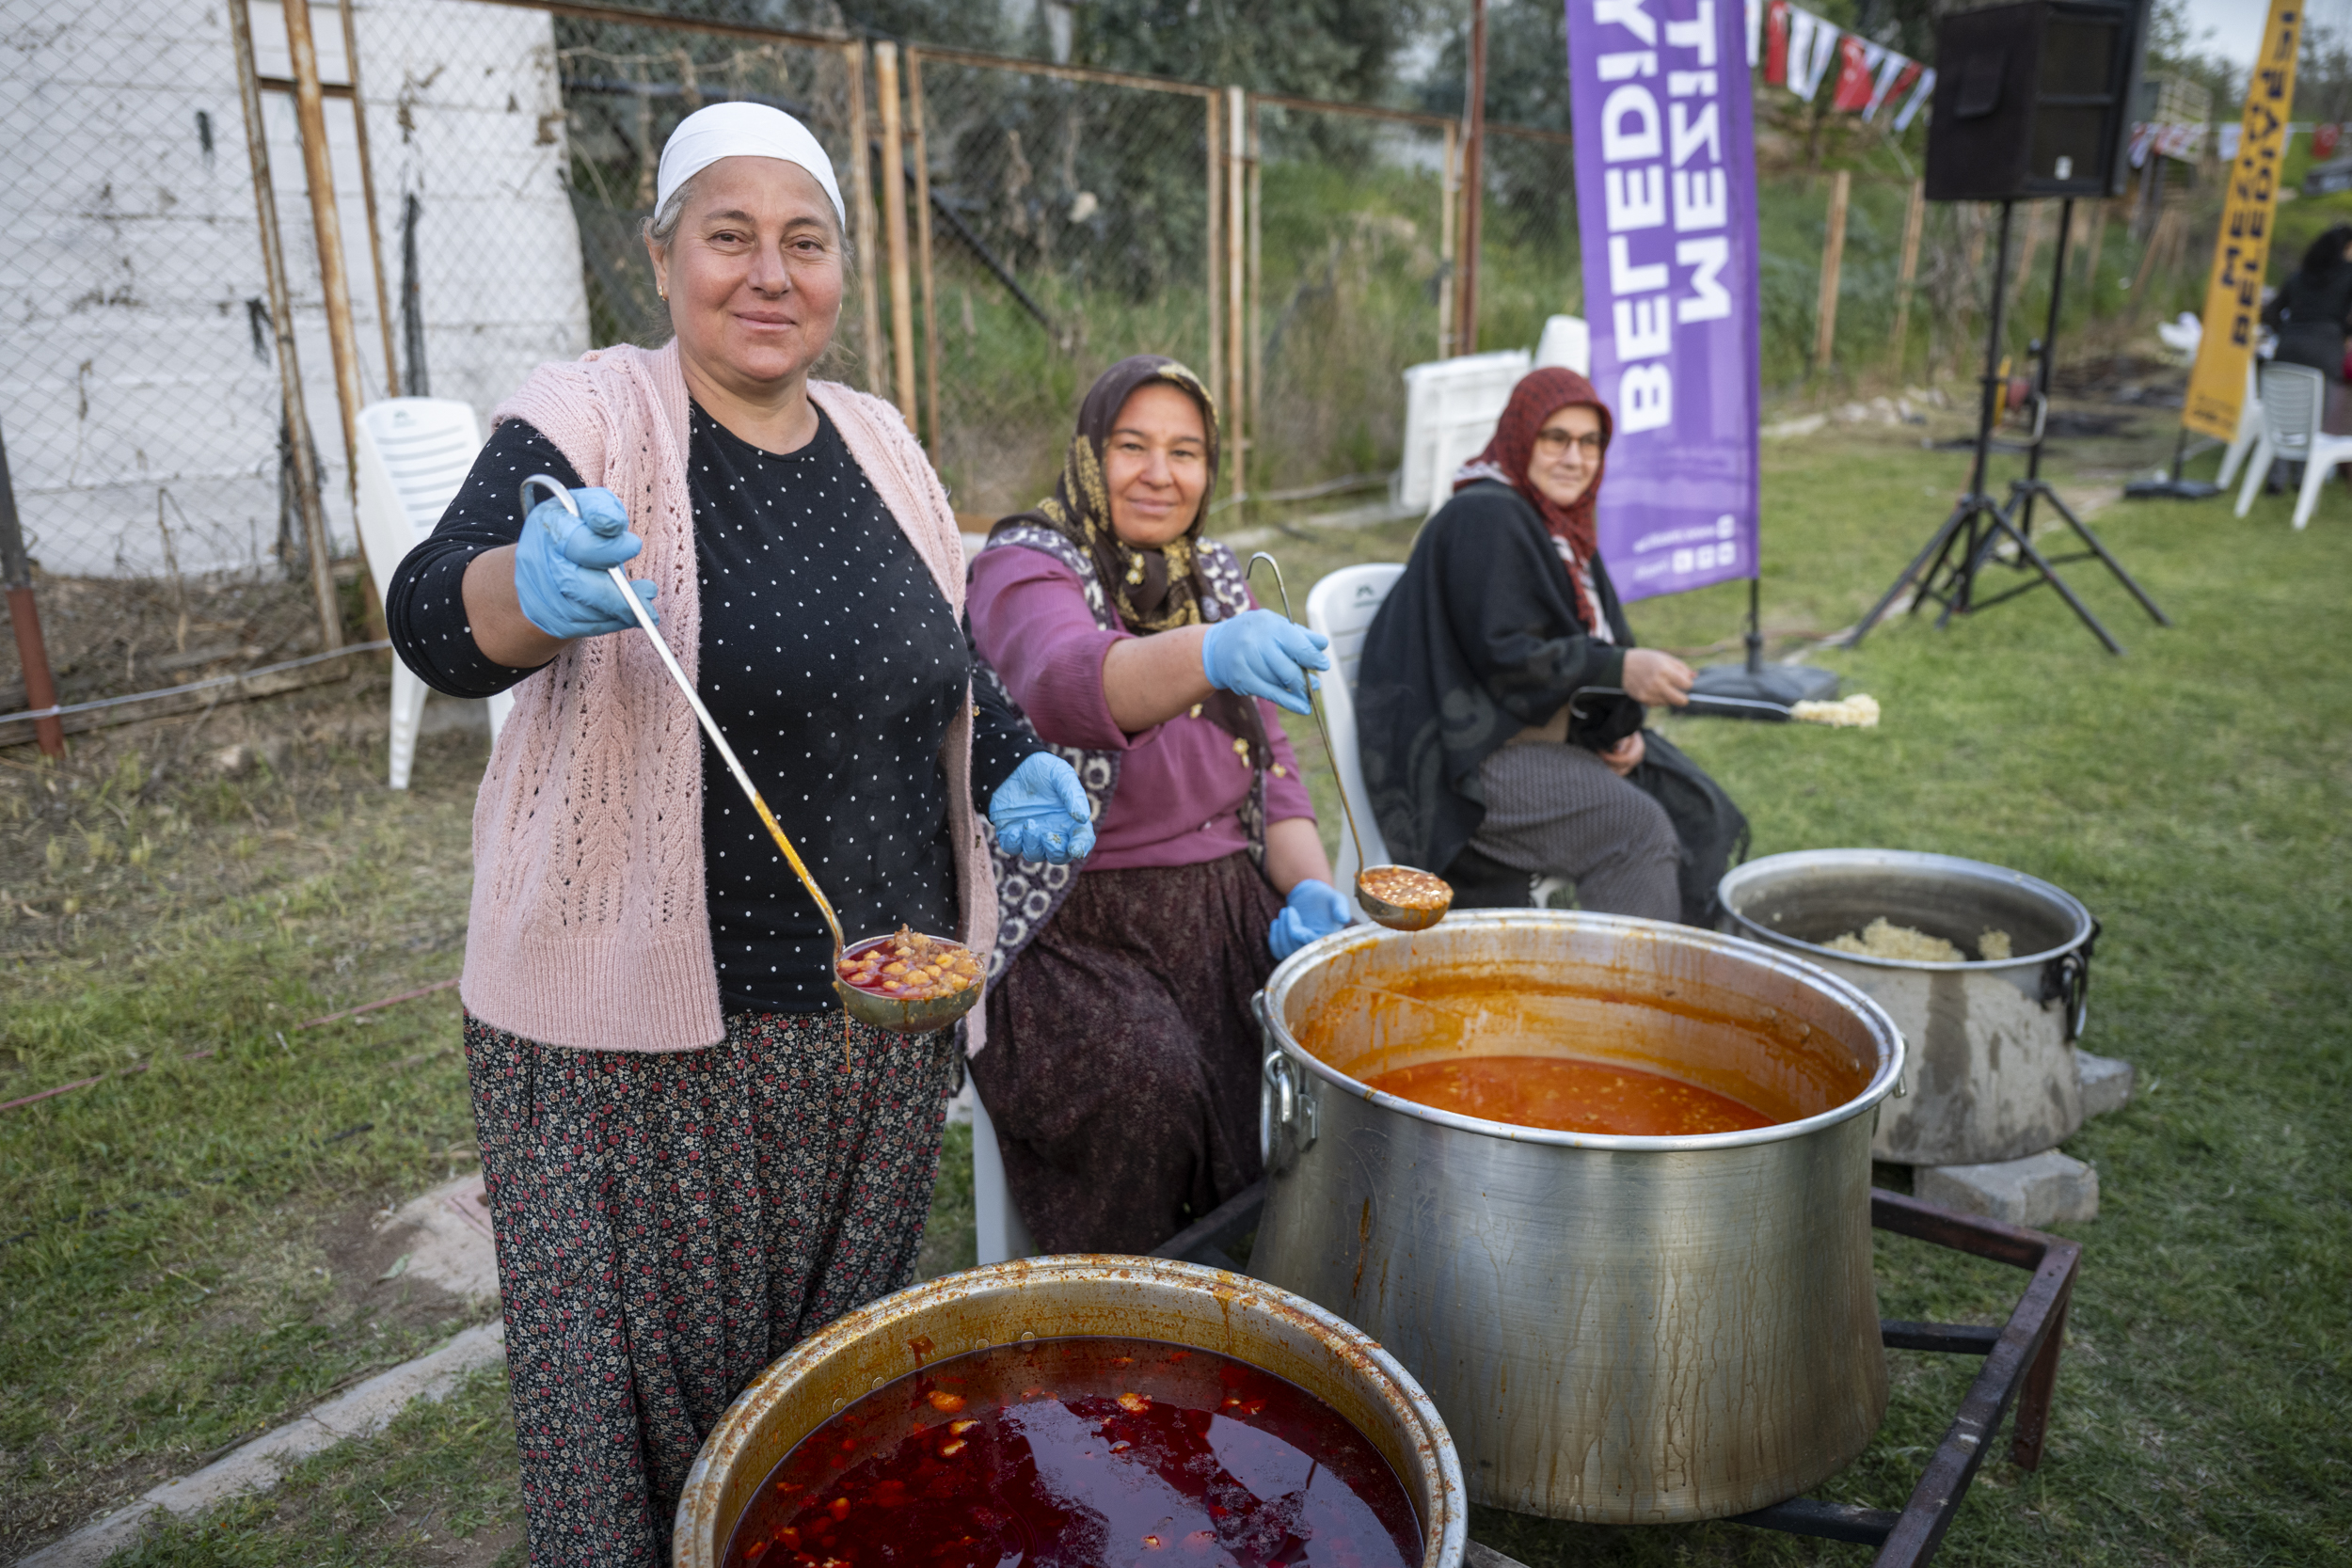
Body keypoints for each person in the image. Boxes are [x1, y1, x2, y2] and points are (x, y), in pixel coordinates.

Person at [384, 103, 1093, 1566]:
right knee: (642, 1405)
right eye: (730, 235)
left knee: (821, 1395)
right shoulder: (593, 412)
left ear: (841, 270)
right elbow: (432, 613)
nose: (769, 273)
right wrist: (531, 582)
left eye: (805, 241)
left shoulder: (885, 440)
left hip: (876, 1007)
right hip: (641, 1043)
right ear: (662, 256)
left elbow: (944, 656)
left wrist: (1011, 758)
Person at [963, 355, 1350, 1254]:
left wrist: (1309, 892)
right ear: (1090, 454)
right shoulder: (1025, 564)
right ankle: (1128, 1316)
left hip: (1221, 900)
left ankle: (1266, 1292)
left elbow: (1276, 771)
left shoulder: (1214, 573)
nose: (1160, 473)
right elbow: (1063, 679)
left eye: (1187, 451)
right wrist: (1207, 653)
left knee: (1322, 1050)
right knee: (1149, 1079)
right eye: (1132, 445)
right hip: (1066, 918)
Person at [1354, 367, 1747, 927]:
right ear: (1520, 437)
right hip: (1462, 757)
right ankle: (1630, 1007)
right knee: (1634, 831)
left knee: (1688, 800)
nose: (1574, 457)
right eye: (1555, 438)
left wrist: (1617, 730)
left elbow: (1584, 645)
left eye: (1590, 443)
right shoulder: (1485, 515)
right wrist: (1619, 669)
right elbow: (1507, 657)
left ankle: (1678, 981)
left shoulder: (1562, 528)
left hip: (1520, 736)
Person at [2264, 224, 2352, 438]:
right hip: (2325, 351)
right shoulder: (2348, 275)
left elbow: (2269, 312)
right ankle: (2305, 472)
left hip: (2288, 350)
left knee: (2284, 423)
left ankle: (2278, 472)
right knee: (2314, 428)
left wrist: (2287, 332)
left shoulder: (2299, 276)